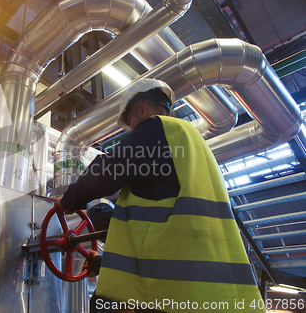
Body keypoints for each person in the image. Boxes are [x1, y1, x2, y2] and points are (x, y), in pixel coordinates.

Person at [54, 79, 264, 313]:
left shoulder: (158, 129)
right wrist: (101, 262)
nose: (132, 133)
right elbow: (166, 238)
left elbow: (110, 169)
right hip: (213, 293)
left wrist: (68, 201)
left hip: (175, 297)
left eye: (131, 124)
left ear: (142, 111)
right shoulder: (190, 143)